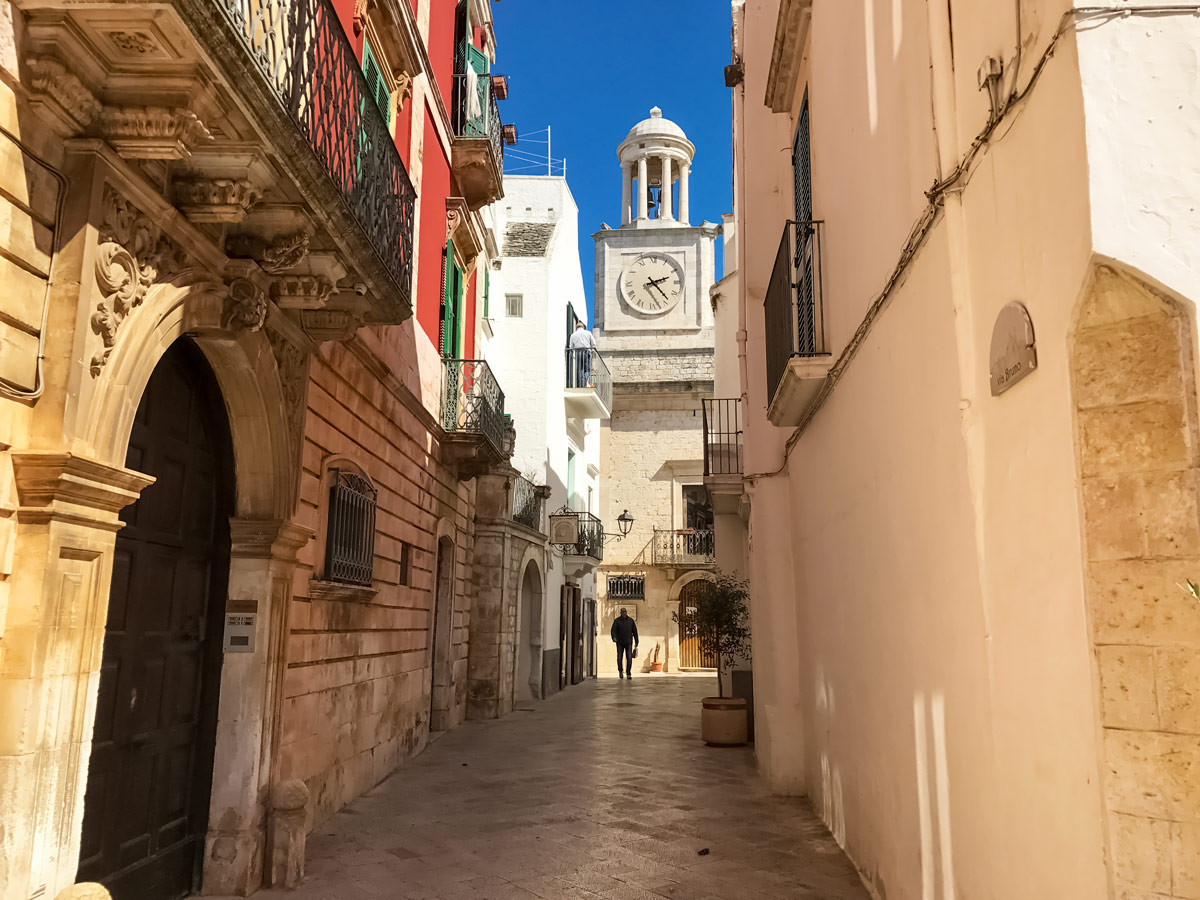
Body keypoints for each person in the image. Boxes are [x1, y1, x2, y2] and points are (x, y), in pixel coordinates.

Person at [610, 607, 639, 679]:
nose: (624, 613)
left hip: (628, 642)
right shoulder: (617, 621)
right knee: (619, 657)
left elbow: (635, 631)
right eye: (622, 612)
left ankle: (628, 673)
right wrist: (614, 637)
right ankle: (620, 671)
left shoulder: (630, 621)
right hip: (619, 642)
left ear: (626, 612)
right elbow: (613, 630)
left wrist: (636, 641)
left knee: (629, 657)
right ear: (620, 613)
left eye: (625, 611)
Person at [568, 321, 597, 387]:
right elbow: (594, 344)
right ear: (583, 327)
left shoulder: (573, 335)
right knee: (588, 369)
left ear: (576, 328)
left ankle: (581, 381)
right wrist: (591, 350)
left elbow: (571, 347)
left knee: (579, 369)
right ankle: (584, 378)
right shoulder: (588, 333)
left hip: (578, 353)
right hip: (586, 352)